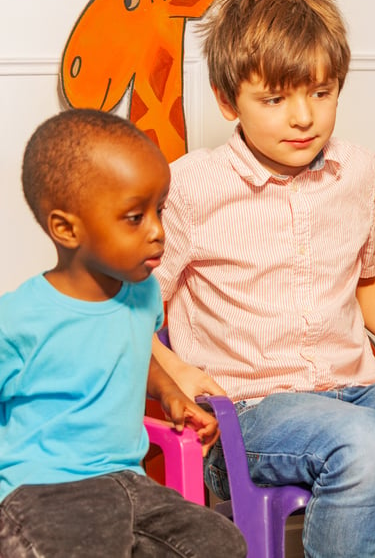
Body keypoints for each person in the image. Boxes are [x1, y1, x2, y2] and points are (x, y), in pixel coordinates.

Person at [151, 0, 375, 558]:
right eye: (274, 100)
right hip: (247, 415)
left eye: (321, 93)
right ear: (228, 101)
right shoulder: (189, 187)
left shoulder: (357, 172)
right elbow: (127, 304)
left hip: (354, 390)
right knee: (368, 445)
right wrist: (170, 368)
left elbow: (363, 282)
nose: (303, 118)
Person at [0, 109, 246, 558]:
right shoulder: (19, 320)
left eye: (160, 210)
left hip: (128, 482)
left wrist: (170, 392)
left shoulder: (142, 293)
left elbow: (133, 351)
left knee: (219, 543)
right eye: (135, 217)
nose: (157, 231)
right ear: (66, 228)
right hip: (43, 490)